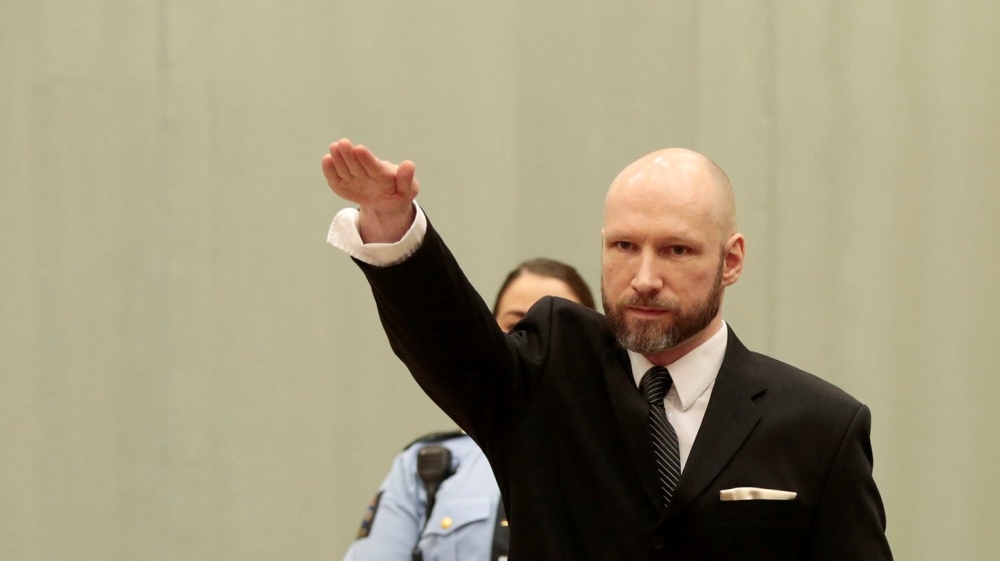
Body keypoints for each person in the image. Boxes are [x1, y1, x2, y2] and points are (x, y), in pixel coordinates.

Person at [321, 139, 893, 560]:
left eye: (676, 250)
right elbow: (447, 338)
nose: (644, 278)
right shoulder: (548, 374)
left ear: (732, 260)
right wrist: (391, 224)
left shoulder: (821, 427)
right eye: (624, 246)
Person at [343, 259, 595, 561]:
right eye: (516, 325)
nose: (534, 344)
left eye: (556, 330)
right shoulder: (428, 466)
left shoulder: (613, 460)